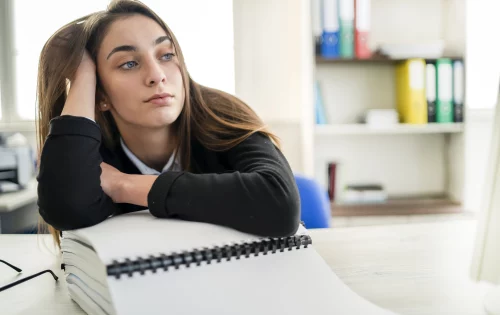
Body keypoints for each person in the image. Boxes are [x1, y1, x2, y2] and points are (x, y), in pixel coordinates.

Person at [36, 0, 300, 245]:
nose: (156, 75)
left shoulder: (222, 114)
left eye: (165, 55)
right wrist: (82, 72)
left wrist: (124, 186)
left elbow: (279, 203)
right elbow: (66, 208)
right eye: (129, 63)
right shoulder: (88, 147)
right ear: (100, 94)